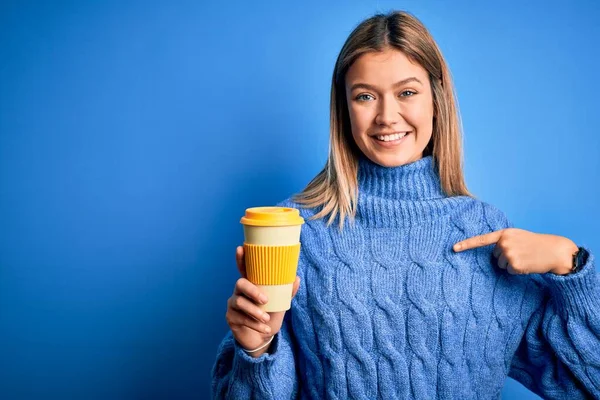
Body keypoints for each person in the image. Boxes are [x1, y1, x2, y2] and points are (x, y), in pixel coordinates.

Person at [211, 10, 600, 399]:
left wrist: (571, 264)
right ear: (344, 109)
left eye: (407, 93)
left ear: (437, 99)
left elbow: (587, 382)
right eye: (365, 96)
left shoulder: (485, 232)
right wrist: (256, 349)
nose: (386, 116)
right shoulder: (295, 232)